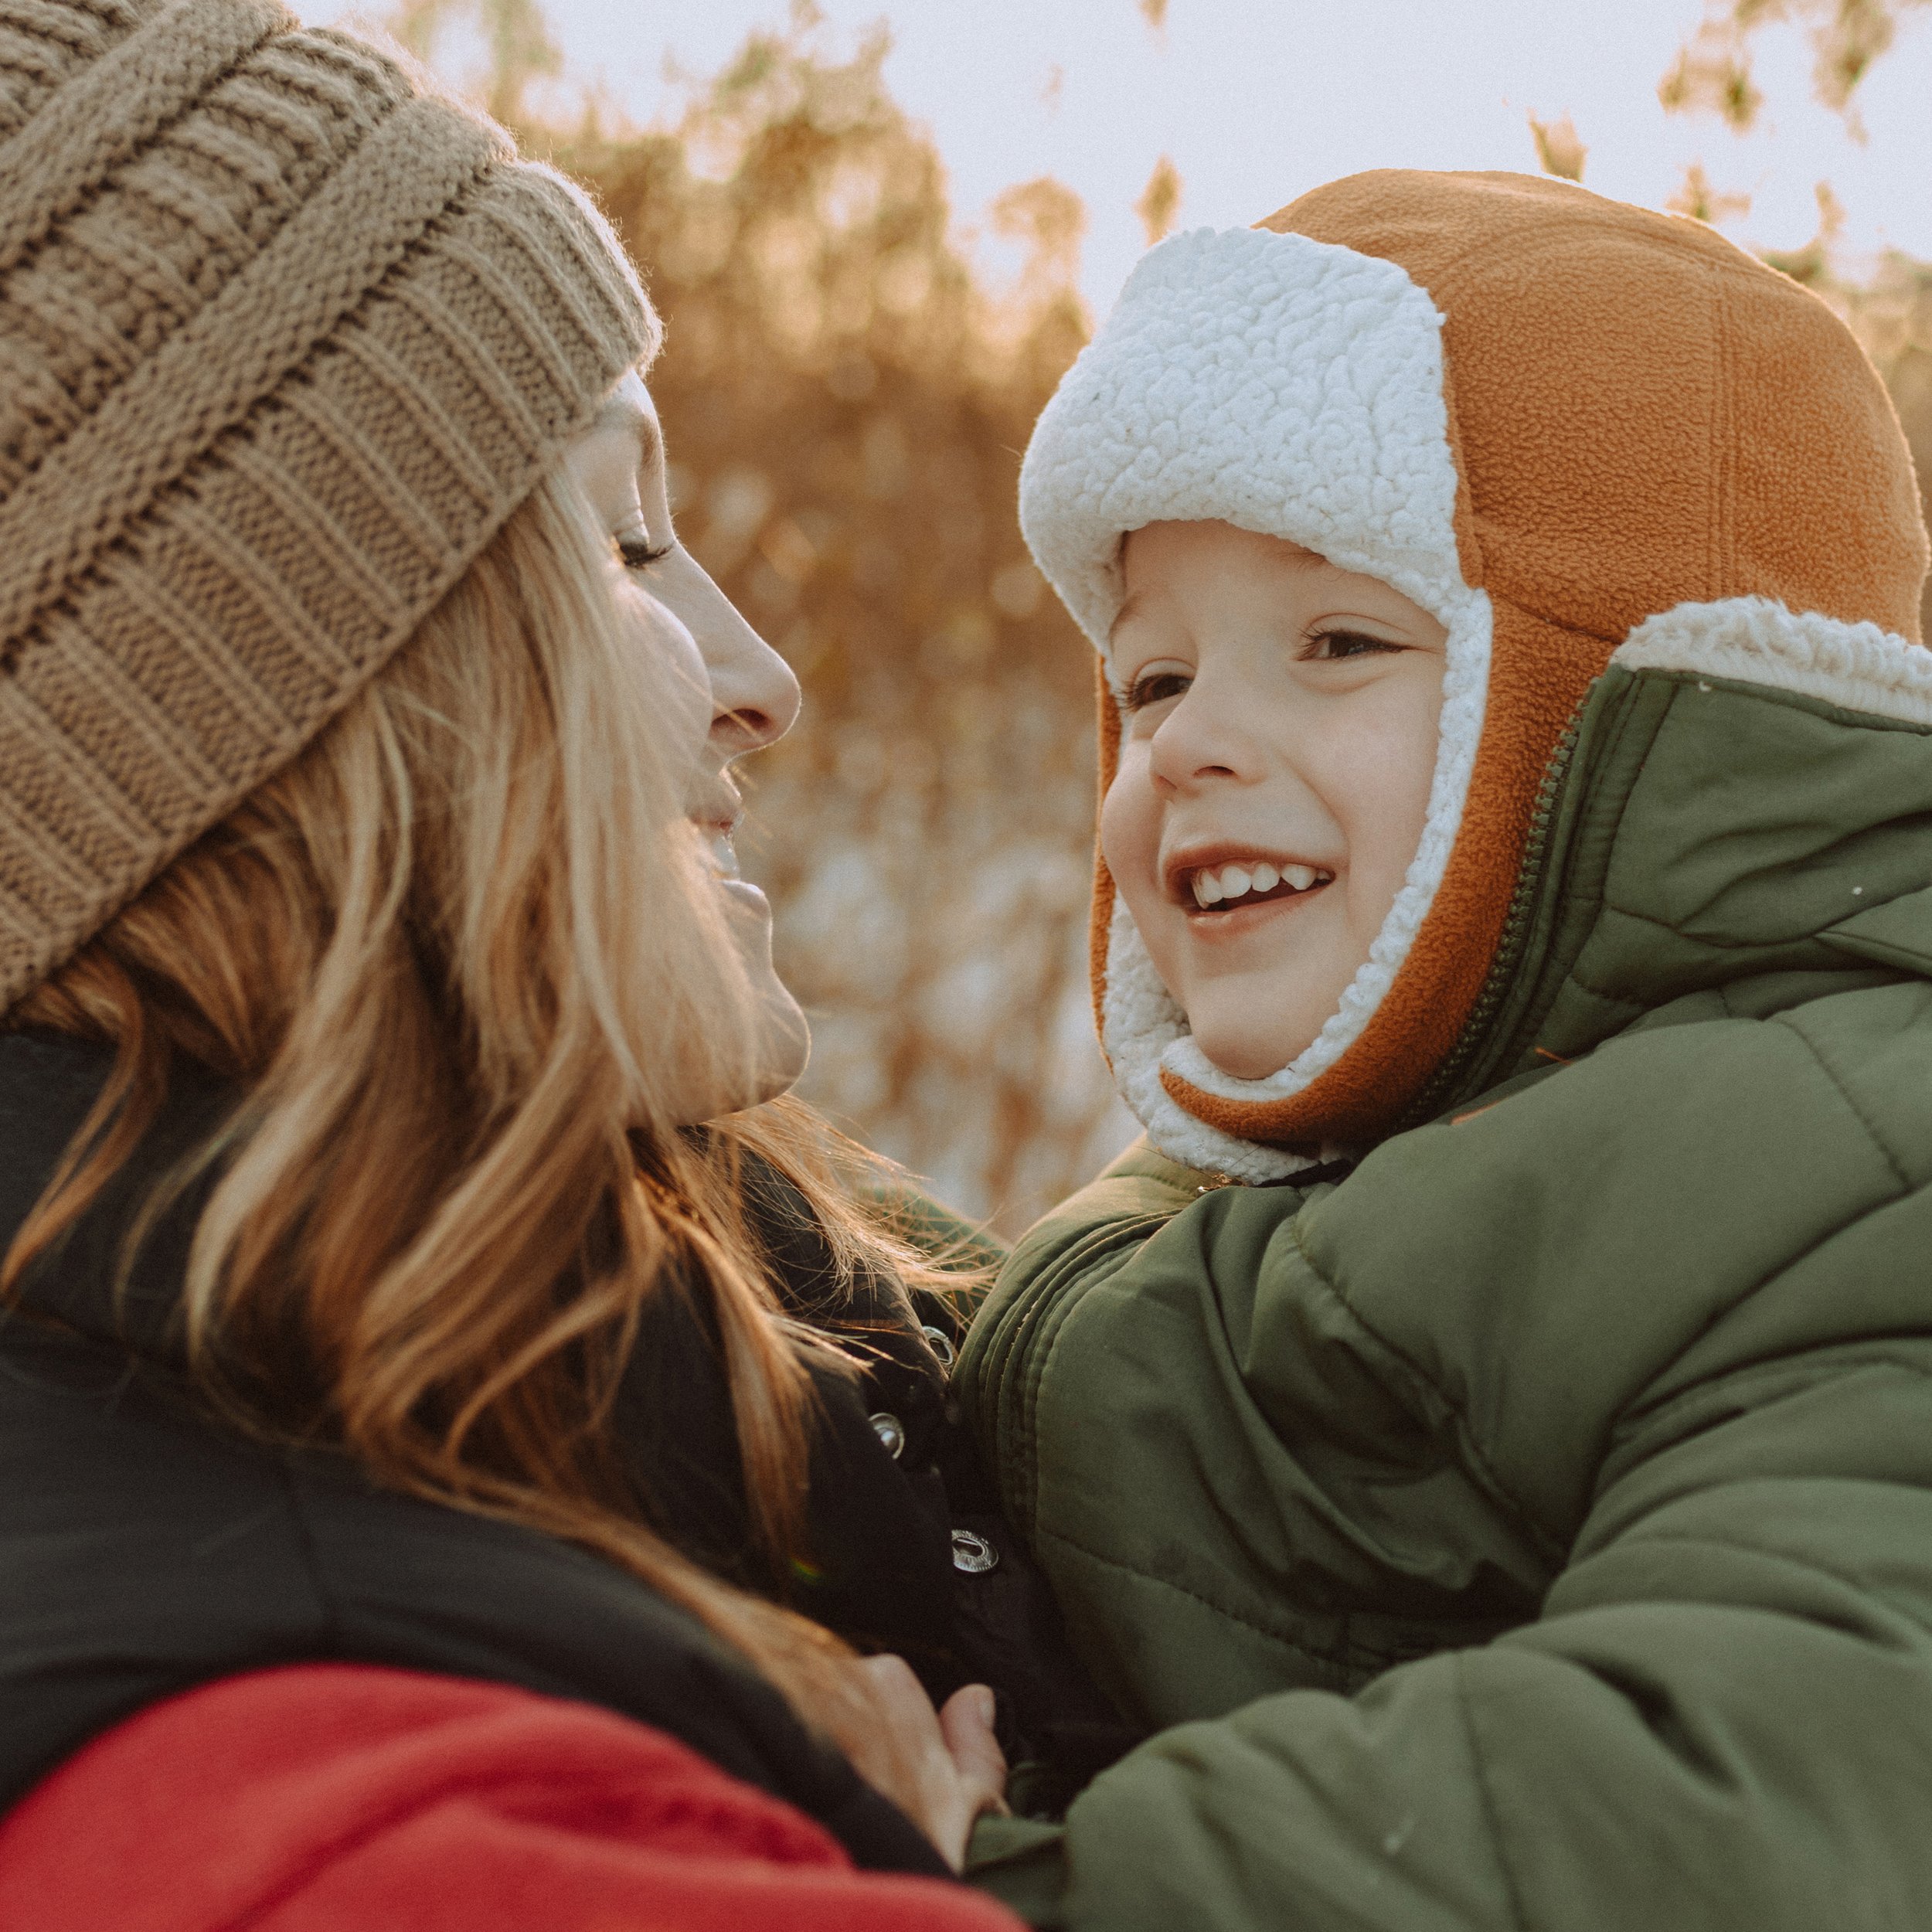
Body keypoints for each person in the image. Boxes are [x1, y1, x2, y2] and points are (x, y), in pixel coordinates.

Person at [0, 0, 1107, 1920]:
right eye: (620, 544)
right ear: (301, 719)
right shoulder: (391, 1833)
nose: (762, 678)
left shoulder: (686, 1369)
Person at [958, 169, 1932, 1928]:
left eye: (1338, 641)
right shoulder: (1348, 1142)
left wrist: (1003, 1884)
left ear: (1637, 713)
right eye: (1154, 678)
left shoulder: (1855, 1168)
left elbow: (1746, 1803)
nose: (1187, 744)